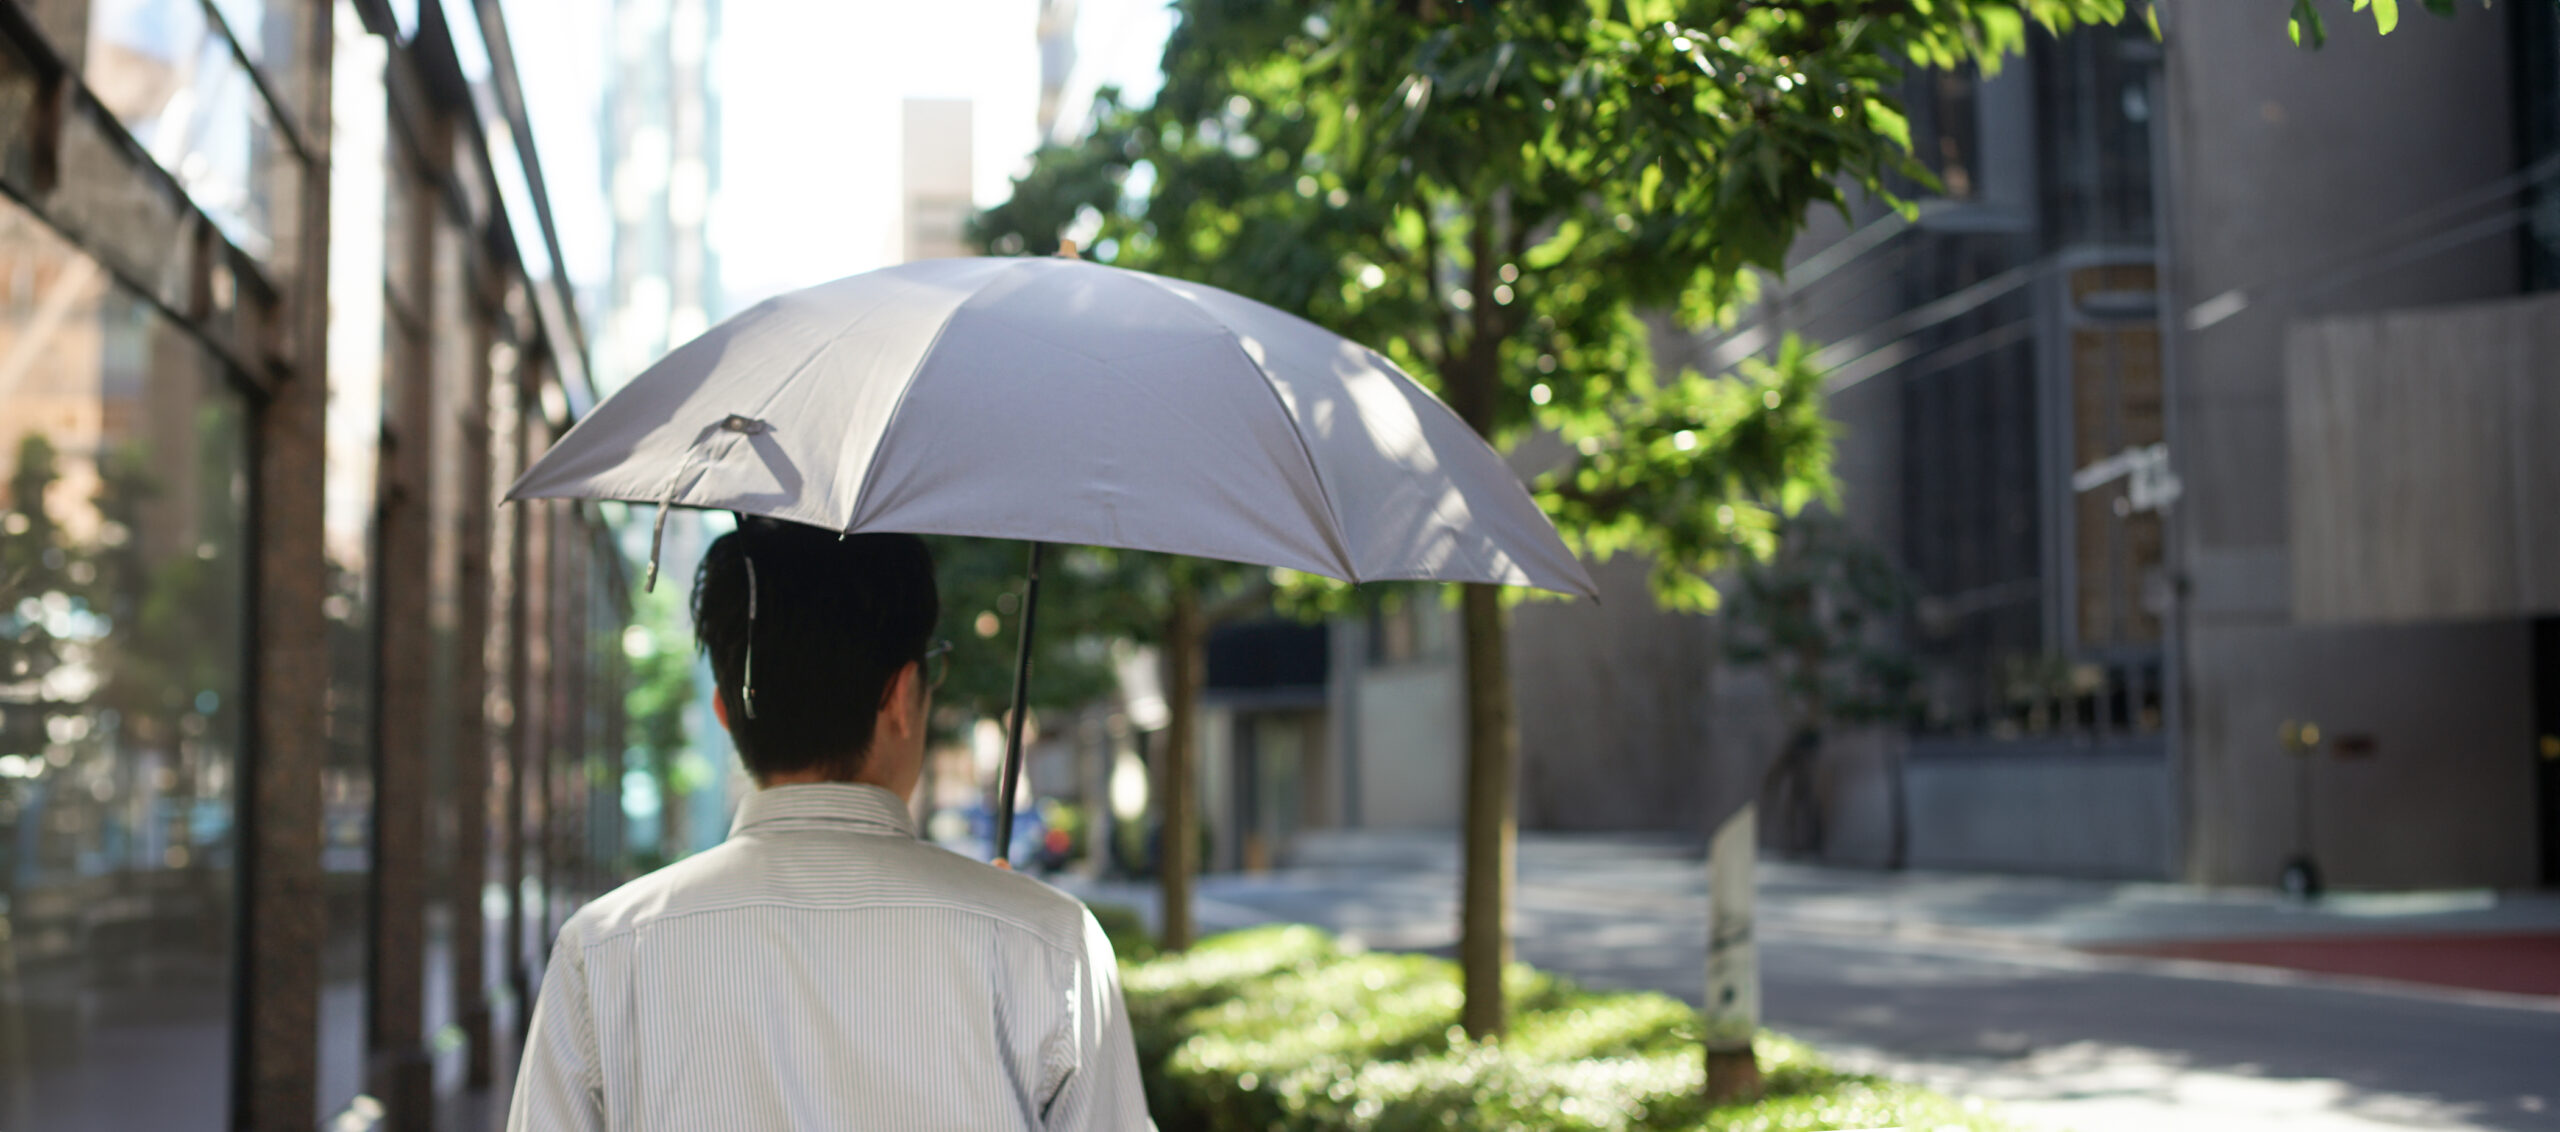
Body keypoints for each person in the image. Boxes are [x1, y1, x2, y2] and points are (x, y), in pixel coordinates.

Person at [507, 521, 1152, 1131]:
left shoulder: (601, 949)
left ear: (725, 712)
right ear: (903, 698)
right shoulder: (1052, 945)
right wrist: (1008, 920)